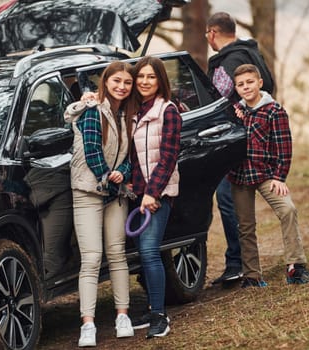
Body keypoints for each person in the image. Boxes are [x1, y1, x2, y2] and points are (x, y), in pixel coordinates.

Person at [64, 61, 135, 347]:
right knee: (92, 258)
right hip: (89, 191)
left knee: (117, 254)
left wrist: (124, 173)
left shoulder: (128, 115)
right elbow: (92, 150)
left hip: (115, 193)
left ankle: (122, 316)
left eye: (127, 83)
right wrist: (109, 176)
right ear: (105, 82)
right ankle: (88, 324)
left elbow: (132, 157)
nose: (122, 86)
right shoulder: (93, 112)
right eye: (116, 81)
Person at [230, 63, 309, 288]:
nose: (246, 87)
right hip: (240, 176)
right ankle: (252, 276)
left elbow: (284, 147)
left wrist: (280, 177)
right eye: (240, 84)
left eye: (250, 82)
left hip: (267, 174)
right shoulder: (234, 111)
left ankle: (295, 267)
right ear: (236, 88)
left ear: (259, 83)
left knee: (287, 210)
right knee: (245, 226)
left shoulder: (274, 111)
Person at [205, 11, 275, 284]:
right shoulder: (252, 53)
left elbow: (216, 99)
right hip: (259, 137)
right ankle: (243, 262)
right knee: (244, 199)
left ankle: (238, 263)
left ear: (212, 33)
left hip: (236, 140)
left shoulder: (227, 63)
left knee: (228, 198)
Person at [127, 56, 182, 338]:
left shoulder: (168, 111)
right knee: (143, 253)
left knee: (149, 251)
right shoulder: (134, 111)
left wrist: (152, 192)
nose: (145, 82)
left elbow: (168, 156)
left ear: (160, 80)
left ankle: (160, 316)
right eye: (141, 77)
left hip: (159, 194)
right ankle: (152, 307)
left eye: (151, 77)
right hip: (138, 196)